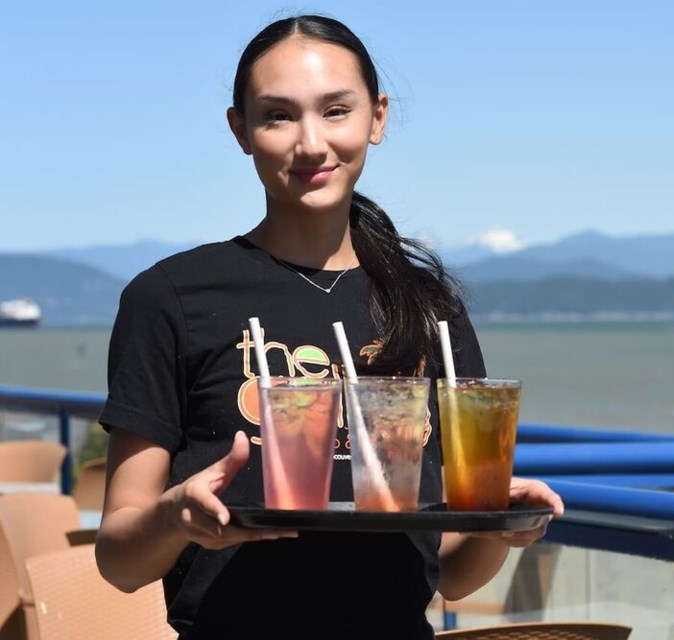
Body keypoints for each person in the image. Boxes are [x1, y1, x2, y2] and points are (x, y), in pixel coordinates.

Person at [94, 13, 564, 639]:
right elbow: (119, 560)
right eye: (279, 115)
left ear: (378, 117)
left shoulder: (428, 309)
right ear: (240, 130)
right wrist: (176, 516)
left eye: (336, 111)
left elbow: (451, 573)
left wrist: (503, 525)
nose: (311, 143)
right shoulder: (173, 298)